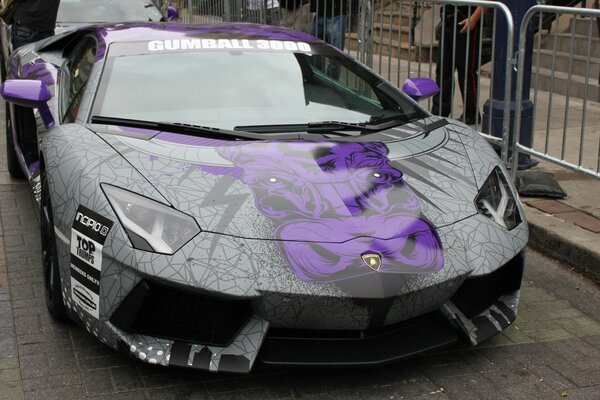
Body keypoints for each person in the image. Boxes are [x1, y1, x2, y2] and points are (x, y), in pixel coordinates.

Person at [431, 5, 484, 126]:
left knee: (466, 70)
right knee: (443, 69)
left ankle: (471, 113)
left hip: (467, 14)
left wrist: (473, 19)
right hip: (449, 15)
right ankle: (439, 112)